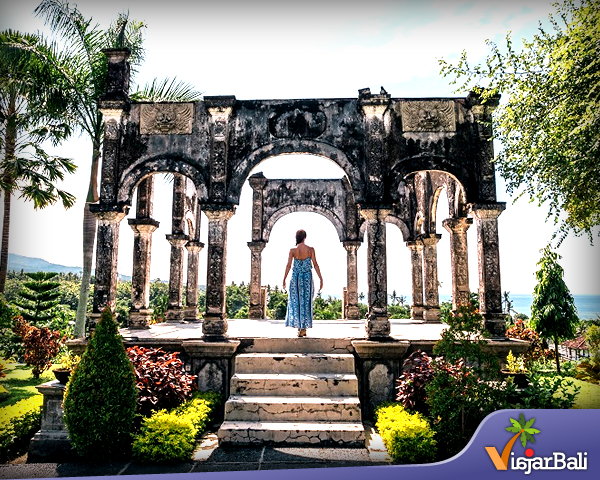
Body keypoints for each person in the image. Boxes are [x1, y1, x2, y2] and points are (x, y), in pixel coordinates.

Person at [282, 229, 323, 337]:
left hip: (295, 278)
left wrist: (284, 278)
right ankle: (303, 328)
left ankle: (300, 328)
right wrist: (321, 278)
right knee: (306, 302)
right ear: (305, 237)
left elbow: (288, 265)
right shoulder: (310, 250)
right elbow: (315, 264)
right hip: (307, 278)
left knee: (296, 302)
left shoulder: (292, 250)